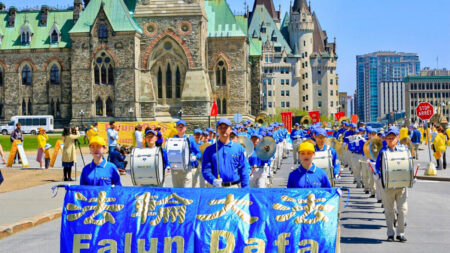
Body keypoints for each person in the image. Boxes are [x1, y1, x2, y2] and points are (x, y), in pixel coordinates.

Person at [375, 127, 409, 242]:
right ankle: (390, 233)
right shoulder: (383, 151)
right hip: (388, 186)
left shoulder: (404, 150)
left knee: (403, 209)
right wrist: (380, 175)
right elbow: (377, 167)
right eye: (388, 138)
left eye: (392, 138)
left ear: (398, 137)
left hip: (401, 186)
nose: (390, 140)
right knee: (389, 210)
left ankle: (401, 233)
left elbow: (408, 164)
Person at [202, 118, 250, 188]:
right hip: (217, 188)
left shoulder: (239, 149)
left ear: (230, 129)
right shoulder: (209, 150)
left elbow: (243, 170)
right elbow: (206, 170)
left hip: (234, 187)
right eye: (220, 127)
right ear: (217, 130)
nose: (223, 130)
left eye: (225, 127)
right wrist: (213, 180)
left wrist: (245, 189)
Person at [171, 120, 201, 187]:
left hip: (187, 169)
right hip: (176, 169)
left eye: (182, 126)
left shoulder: (190, 139)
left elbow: (199, 152)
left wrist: (195, 157)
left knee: (187, 190)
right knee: (177, 190)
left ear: (185, 128)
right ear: (176, 128)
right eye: (179, 126)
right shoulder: (172, 139)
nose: (181, 128)